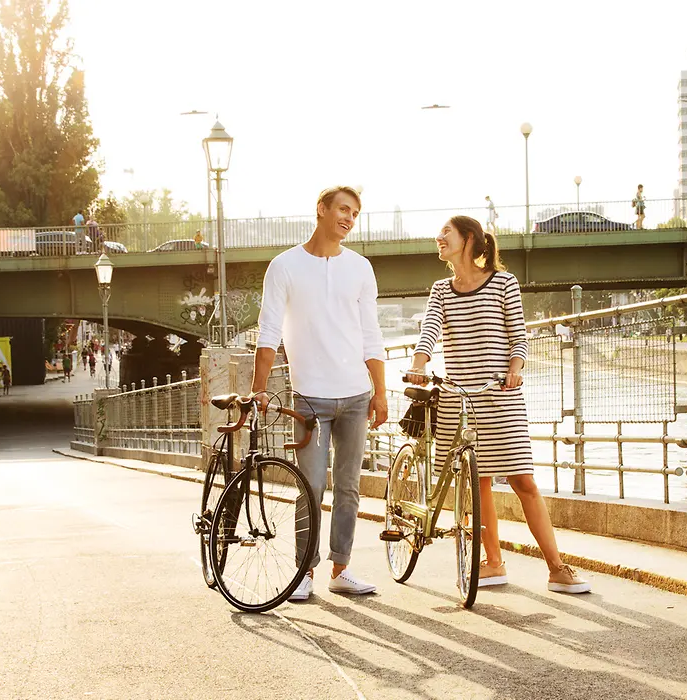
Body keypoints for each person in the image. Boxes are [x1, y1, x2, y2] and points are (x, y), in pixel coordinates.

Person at [408, 215, 591, 594]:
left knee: (524, 480)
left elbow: (518, 337)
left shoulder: (504, 283)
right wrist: (418, 366)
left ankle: (556, 568)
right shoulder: (441, 290)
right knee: (479, 484)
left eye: (447, 232)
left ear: (469, 238)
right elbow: (430, 331)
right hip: (457, 399)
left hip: (500, 395)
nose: (438, 237)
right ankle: (492, 563)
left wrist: (515, 369)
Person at [252, 185, 386, 601]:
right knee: (310, 485)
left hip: (356, 395)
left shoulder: (360, 267)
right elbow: (269, 330)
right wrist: (258, 388)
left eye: (355, 213)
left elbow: (371, 335)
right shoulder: (284, 266)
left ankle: (340, 569)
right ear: (321, 210)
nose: (348, 218)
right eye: (343, 209)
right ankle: (303, 572)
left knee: (348, 486)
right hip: (309, 396)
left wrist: (380, 392)